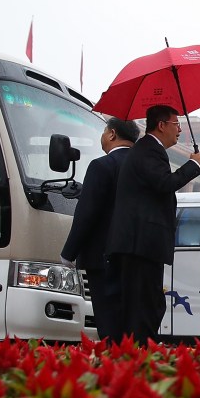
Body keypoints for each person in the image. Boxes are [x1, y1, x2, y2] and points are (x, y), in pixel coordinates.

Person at [105, 105, 200, 344]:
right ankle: (137, 356)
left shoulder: (149, 150)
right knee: (143, 309)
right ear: (161, 125)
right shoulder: (148, 150)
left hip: (140, 245)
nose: (180, 130)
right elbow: (164, 182)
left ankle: (135, 354)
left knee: (147, 305)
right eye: (176, 124)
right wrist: (193, 165)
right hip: (139, 245)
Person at [60, 117, 139, 340]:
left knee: (109, 324)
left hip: (103, 257)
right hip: (138, 257)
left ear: (112, 134)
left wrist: (69, 253)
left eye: (104, 131)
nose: (102, 136)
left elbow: (87, 213)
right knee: (132, 326)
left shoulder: (102, 165)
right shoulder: (145, 166)